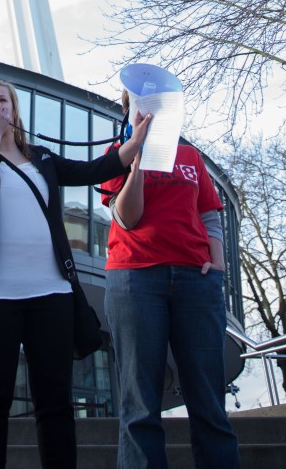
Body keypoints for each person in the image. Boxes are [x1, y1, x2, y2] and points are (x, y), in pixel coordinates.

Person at [0, 78, 151, 469]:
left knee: (55, 401)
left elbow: (93, 169)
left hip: (50, 293)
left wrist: (136, 142)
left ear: (15, 110)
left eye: (2, 100)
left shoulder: (41, 159)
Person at [103, 91, 240, 469]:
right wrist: (137, 161)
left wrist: (217, 265)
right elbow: (126, 218)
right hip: (135, 278)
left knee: (209, 400)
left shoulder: (191, 157)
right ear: (129, 110)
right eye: (139, 102)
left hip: (196, 280)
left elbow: (210, 216)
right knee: (140, 403)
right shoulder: (117, 155)